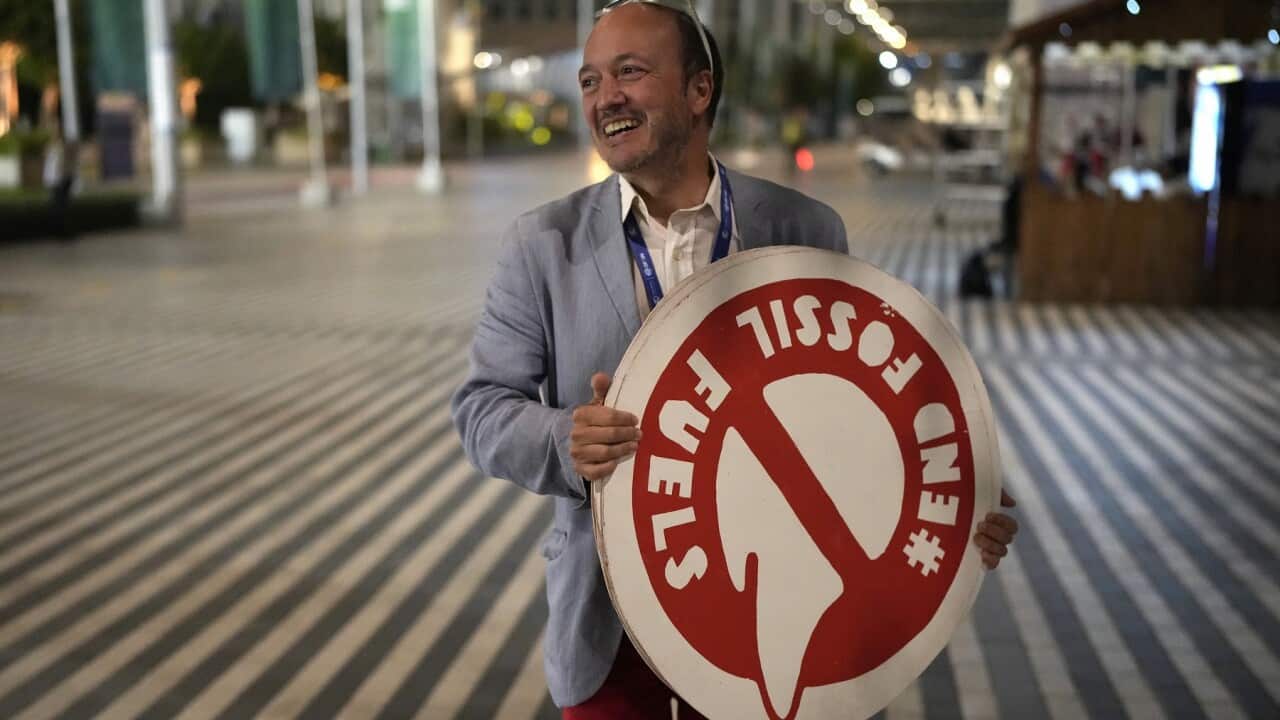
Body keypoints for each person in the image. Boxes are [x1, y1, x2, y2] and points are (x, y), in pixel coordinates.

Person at [451, 1, 1020, 716]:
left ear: (699, 90)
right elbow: (481, 409)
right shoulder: (544, 245)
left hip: (772, 619)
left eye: (631, 72)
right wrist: (567, 439)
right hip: (611, 626)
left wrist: (955, 493)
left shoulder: (803, 229)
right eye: (592, 81)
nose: (607, 98)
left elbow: (858, 392)